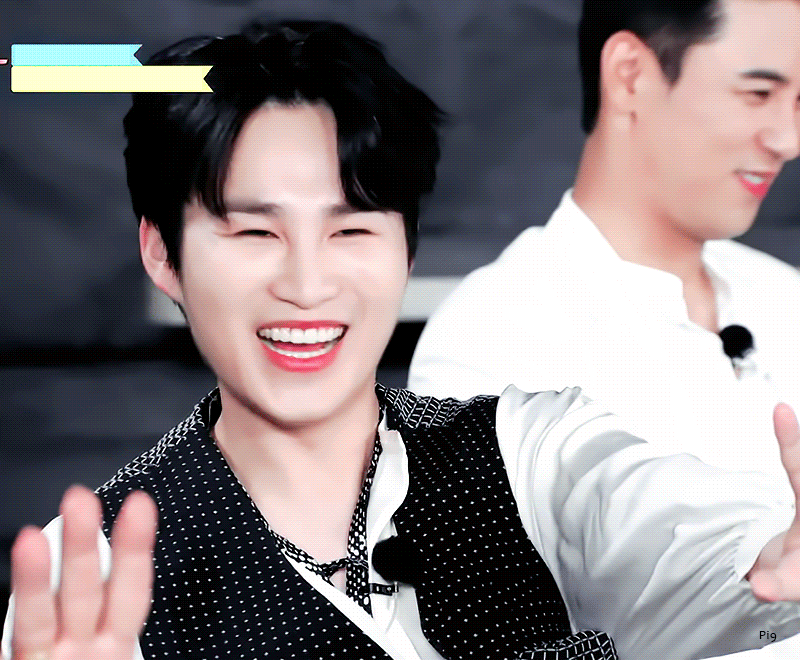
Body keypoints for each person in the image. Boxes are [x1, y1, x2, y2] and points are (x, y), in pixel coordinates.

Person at [4, 17, 800, 660]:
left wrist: (768, 556)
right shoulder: (94, 575)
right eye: (254, 233)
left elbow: (683, 540)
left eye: (351, 230)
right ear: (162, 255)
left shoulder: (530, 451)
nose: (308, 284)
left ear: (408, 252)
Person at [408, 4, 800, 657]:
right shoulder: (489, 345)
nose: (788, 139)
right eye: (758, 93)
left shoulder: (786, 295)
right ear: (629, 75)